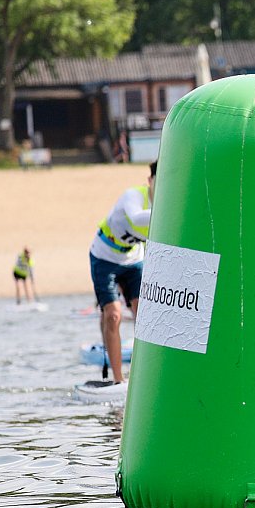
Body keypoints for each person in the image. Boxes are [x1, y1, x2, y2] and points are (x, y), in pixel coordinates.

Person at [88, 161, 156, 384]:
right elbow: (136, 218)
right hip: (104, 255)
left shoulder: (168, 206)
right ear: (150, 181)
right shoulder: (133, 196)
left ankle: (145, 378)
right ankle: (118, 381)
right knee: (114, 315)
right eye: (158, 181)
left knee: (144, 316)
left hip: (133, 259)